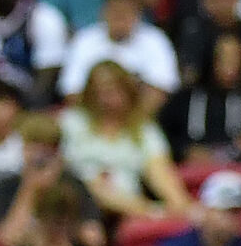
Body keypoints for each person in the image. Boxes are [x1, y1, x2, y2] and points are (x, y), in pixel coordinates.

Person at [61, 60, 194, 221]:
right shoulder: (71, 123)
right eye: (99, 93)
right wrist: (151, 210)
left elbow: (162, 175)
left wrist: (181, 206)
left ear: (128, 92)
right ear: (89, 94)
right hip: (78, 208)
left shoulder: (144, 131)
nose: (106, 100)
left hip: (130, 211)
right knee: (92, 187)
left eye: (113, 92)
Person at [0, 113, 109, 246]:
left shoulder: (74, 184)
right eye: (32, 148)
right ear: (23, 148)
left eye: (46, 150)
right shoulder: (7, 186)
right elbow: (6, 241)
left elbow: (94, 240)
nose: (39, 156)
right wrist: (30, 190)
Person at [160, 33, 241, 168]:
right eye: (223, 57)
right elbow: (163, 136)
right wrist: (185, 150)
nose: (230, 63)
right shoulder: (184, 99)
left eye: (235, 57)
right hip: (193, 172)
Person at [56, 0, 180, 108]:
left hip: (139, 119)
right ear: (103, 12)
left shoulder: (155, 39)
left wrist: (129, 122)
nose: (120, 17)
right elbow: (72, 91)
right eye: (115, 10)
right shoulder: (84, 39)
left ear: (138, 14)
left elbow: (160, 90)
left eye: (126, 11)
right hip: (91, 119)